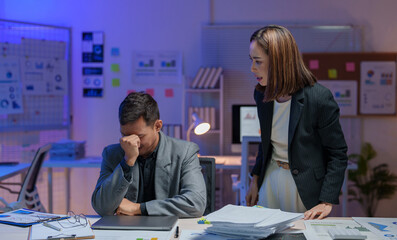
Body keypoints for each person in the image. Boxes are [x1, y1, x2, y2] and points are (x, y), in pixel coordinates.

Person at [245, 25, 348, 220]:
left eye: (258, 62)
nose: (252, 68)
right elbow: (265, 143)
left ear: (278, 62)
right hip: (271, 180)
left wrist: (327, 201)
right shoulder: (261, 95)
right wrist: (255, 180)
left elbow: (338, 154)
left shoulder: (318, 98)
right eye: (251, 60)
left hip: (304, 186)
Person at [92, 92, 206, 218]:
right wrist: (127, 162)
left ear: (157, 126)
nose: (132, 142)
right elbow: (101, 207)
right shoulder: (112, 154)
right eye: (125, 135)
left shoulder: (185, 152)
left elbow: (196, 203)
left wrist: (139, 208)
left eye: (139, 136)